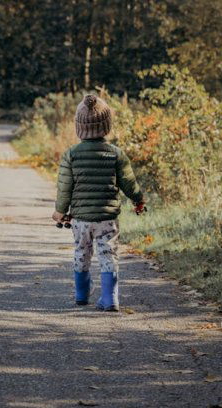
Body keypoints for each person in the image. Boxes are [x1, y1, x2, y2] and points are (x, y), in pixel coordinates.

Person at [52, 94, 146, 312]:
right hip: (107, 219)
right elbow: (129, 183)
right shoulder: (116, 154)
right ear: (107, 125)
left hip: (81, 220)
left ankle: (81, 295)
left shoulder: (71, 155)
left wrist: (60, 211)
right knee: (107, 255)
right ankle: (109, 298)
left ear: (79, 126)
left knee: (81, 253)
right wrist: (138, 200)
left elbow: (64, 187)